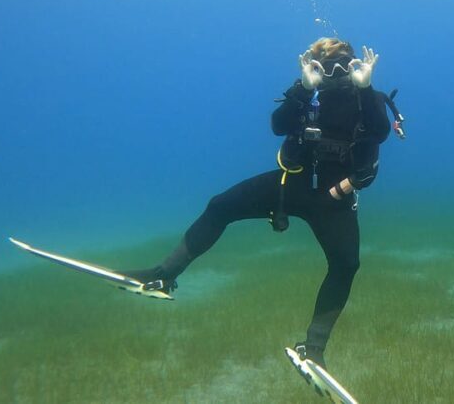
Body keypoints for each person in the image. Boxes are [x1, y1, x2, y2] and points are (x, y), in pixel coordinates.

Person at [122, 37, 396, 369]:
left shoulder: (365, 97)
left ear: (355, 65)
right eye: (328, 66)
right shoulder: (308, 95)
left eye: (345, 64)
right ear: (315, 68)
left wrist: (365, 87)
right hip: (290, 184)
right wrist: (302, 89)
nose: (337, 73)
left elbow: (380, 133)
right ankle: (163, 275)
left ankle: (314, 349)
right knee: (220, 206)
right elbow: (277, 125)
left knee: (346, 265)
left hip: (333, 198)